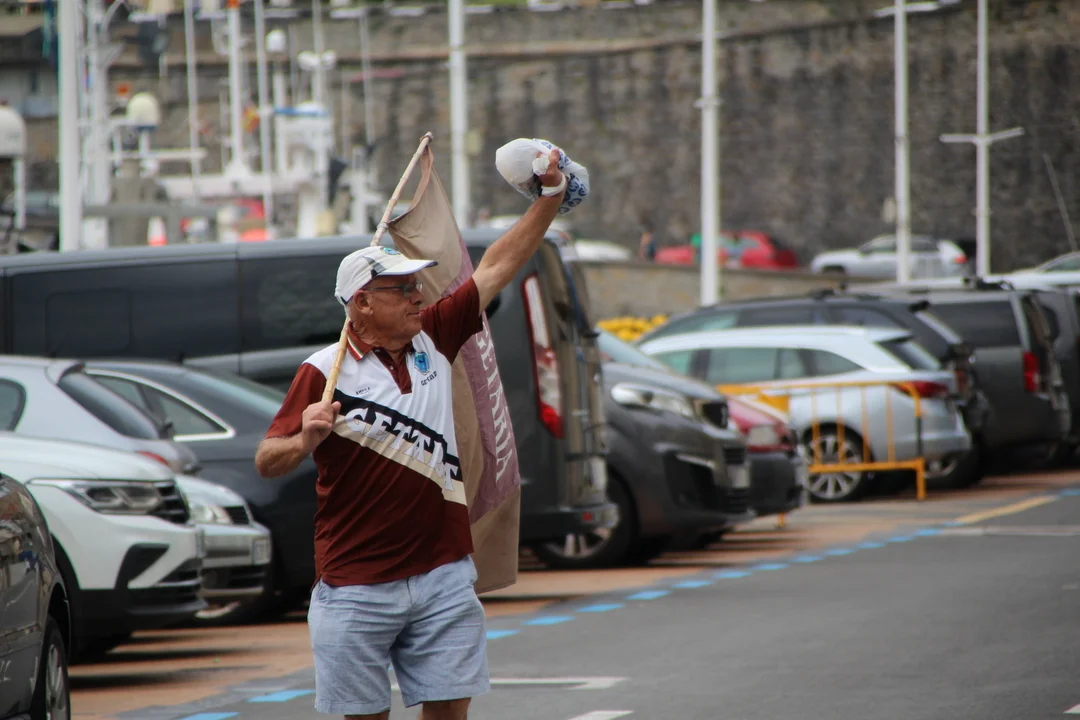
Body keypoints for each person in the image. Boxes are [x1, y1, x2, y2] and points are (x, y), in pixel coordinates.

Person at [254, 148, 568, 720]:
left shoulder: (435, 337)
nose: (417, 295)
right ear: (361, 303)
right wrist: (303, 440)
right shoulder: (322, 373)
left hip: (443, 573)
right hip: (354, 585)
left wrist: (549, 199)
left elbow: (495, 267)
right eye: (400, 289)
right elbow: (267, 459)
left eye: (415, 285)